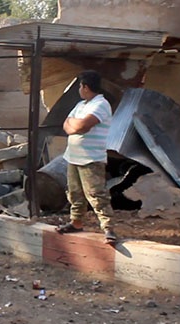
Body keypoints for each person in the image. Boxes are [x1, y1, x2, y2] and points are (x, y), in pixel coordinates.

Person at [57, 70, 117, 245]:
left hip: (91, 158)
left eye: (80, 86)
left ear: (86, 87)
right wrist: (74, 125)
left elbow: (81, 125)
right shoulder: (81, 105)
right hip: (74, 157)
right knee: (75, 193)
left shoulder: (101, 104)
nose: (79, 90)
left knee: (96, 194)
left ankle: (108, 228)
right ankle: (76, 222)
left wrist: (75, 125)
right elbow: (66, 125)